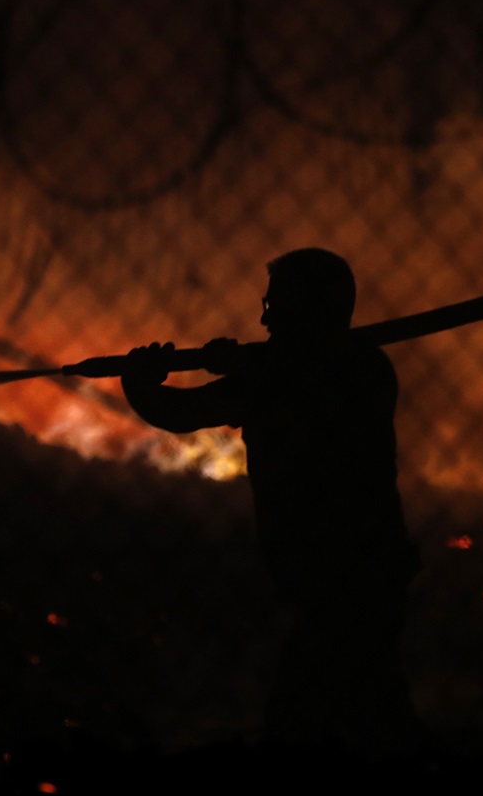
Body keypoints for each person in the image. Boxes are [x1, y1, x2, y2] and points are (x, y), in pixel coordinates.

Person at [121, 248, 423, 761]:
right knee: (371, 701)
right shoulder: (365, 367)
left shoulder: (309, 375)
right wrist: (238, 365)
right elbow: (281, 379)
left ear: (308, 309)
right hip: (367, 567)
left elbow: (182, 411)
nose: (264, 317)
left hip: (341, 570)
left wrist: (139, 383)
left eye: (276, 304)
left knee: (307, 713)